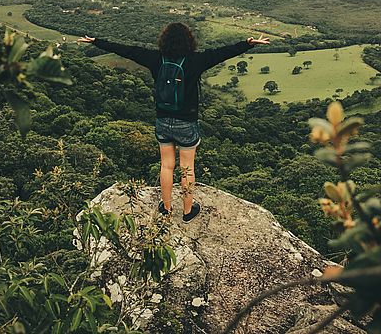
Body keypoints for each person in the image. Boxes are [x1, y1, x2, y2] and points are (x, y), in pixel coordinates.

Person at [77, 23, 270, 222]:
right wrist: (248, 44)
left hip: (162, 120)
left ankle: (166, 208)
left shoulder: (155, 59)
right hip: (186, 122)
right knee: (187, 168)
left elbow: (126, 50)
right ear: (189, 41)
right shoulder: (196, 60)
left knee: (166, 166)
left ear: (164, 40)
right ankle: (187, 211)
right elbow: (222, 53)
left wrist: (97, 42)